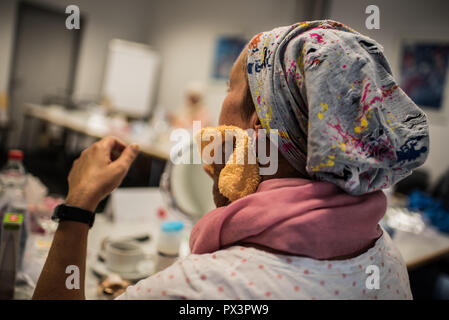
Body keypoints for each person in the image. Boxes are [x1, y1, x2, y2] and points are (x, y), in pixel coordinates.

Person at [32, 20, 429, 300]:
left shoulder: (199, 287)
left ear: (256, 125)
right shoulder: (385, 255)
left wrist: (78, 205)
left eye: (228, 89)